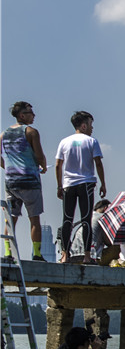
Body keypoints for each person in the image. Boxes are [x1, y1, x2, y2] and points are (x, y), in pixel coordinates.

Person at [55, 111, 106, 263]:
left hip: (68, 185)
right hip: (86, 183)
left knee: (67, 220)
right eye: (91, 124)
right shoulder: (91, 141)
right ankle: (87, 256)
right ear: (84, 126)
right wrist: (103, 183)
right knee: (86, 219)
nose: (92, 128)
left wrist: (59, 185)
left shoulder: (64, 142)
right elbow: (98, 163)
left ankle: (64, 255)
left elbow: (58, 164)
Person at [0, 102, 48, 261]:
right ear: (22, 115)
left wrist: (7, 168)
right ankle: (37, 253)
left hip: (11, 183)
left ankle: (8, 253)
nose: (33, 115)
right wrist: (43, 166)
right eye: (30, 113)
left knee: (11, 219)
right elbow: (40, 155)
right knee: (34, 219)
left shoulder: (3, 134)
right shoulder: (31, 132)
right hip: (30, 182)